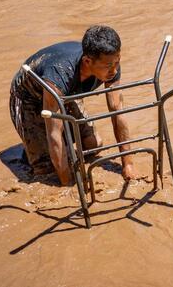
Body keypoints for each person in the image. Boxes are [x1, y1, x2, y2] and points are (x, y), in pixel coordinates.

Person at [9, 25, 135, 185]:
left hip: (68, 92)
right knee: (45, 169)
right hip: (29, 97)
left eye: (117, 62)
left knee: (93, 145)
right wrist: (68, 184)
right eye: (109, 66)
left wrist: (128, 165)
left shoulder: (111, 63)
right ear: (87, 61)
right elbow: (54, 131)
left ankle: (48, 148)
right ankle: (34, 153)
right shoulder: (60, 73)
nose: (115, 70)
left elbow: (117, 111)